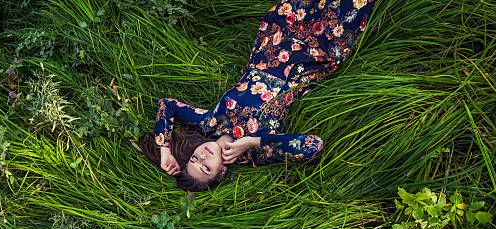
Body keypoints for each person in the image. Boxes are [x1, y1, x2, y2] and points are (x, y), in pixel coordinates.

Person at [138, 0, 377, 191]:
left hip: (276, 39)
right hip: (310, 60)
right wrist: (254, 141)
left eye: (193, 160)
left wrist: (165, 150)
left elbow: (167, 105)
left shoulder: (209, 123)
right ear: (221, 172)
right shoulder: (255, 154)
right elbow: (313, 146)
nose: (201, 157)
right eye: (206, 168)